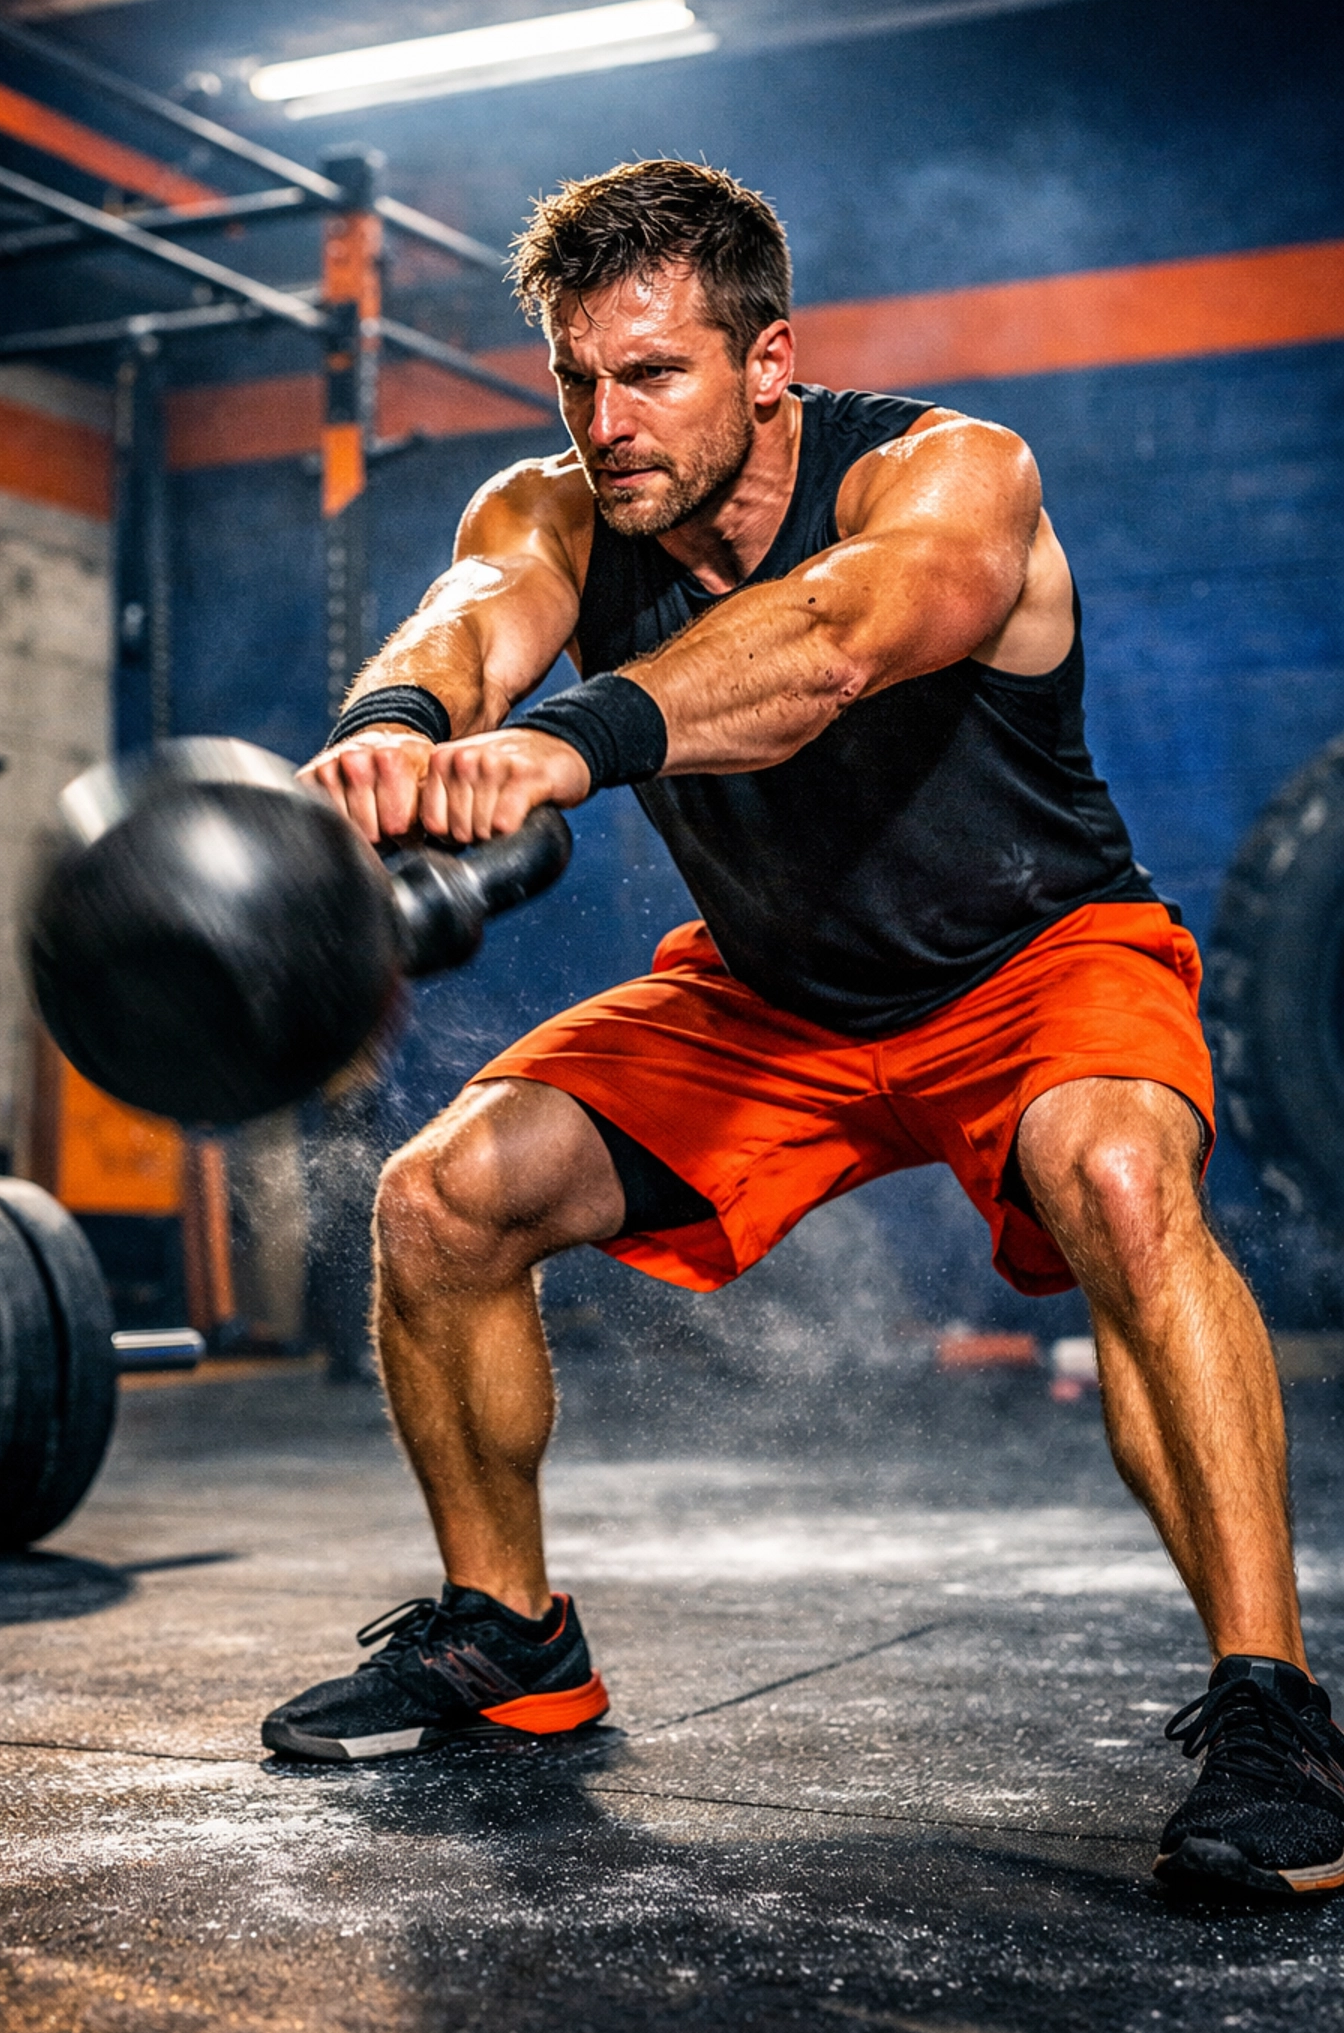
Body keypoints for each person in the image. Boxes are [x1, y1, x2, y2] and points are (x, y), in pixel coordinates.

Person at [263, 159, 1344, 1903]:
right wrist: (399, 723)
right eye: (576, 380)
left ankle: (1275, 1713)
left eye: (653, 374)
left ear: (769, 361)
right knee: (441, 1199)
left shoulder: (951, 475)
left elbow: (833, 641)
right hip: (772, 994)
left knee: (1123, 1179)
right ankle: (510, 1641)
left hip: (1032, 962)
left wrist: (566, 744)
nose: (607, 423)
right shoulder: (561, 510)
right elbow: (475, 615)